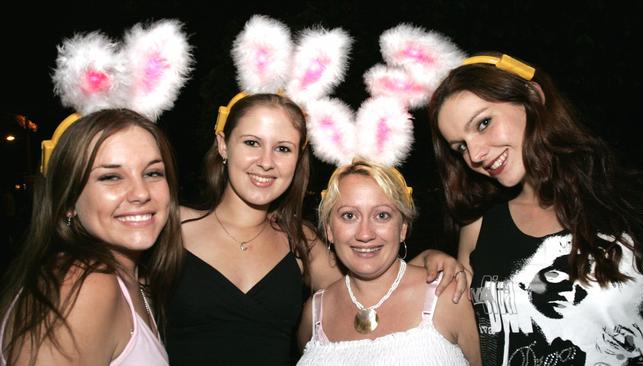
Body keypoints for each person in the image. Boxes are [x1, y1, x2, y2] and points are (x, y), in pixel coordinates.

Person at [165, 93, 466, 365]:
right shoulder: (172, 226)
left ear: (297, 160)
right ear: (222, 144)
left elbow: (370, 281)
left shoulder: (300, 242)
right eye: (252, 143)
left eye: (282, 148)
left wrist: (427, 259)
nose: (266, 162)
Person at [428, 52, 643, 365]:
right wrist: (427, 261)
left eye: (483, 123)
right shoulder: (478, 228)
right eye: (460, 147)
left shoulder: (637, 202)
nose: (475, 154)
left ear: (532, 96)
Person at [0, 109, 183, 365]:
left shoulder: (134, 278)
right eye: (111, 177)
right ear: (68, 201)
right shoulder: (84, 284)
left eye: (153, 173)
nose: (141, 193)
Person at [296, 158, 480, 365]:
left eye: (382, 215)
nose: (365, 234)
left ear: (402, 228)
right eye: (349, 215)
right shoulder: (314, 313)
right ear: (329, 229)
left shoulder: (447, 295)